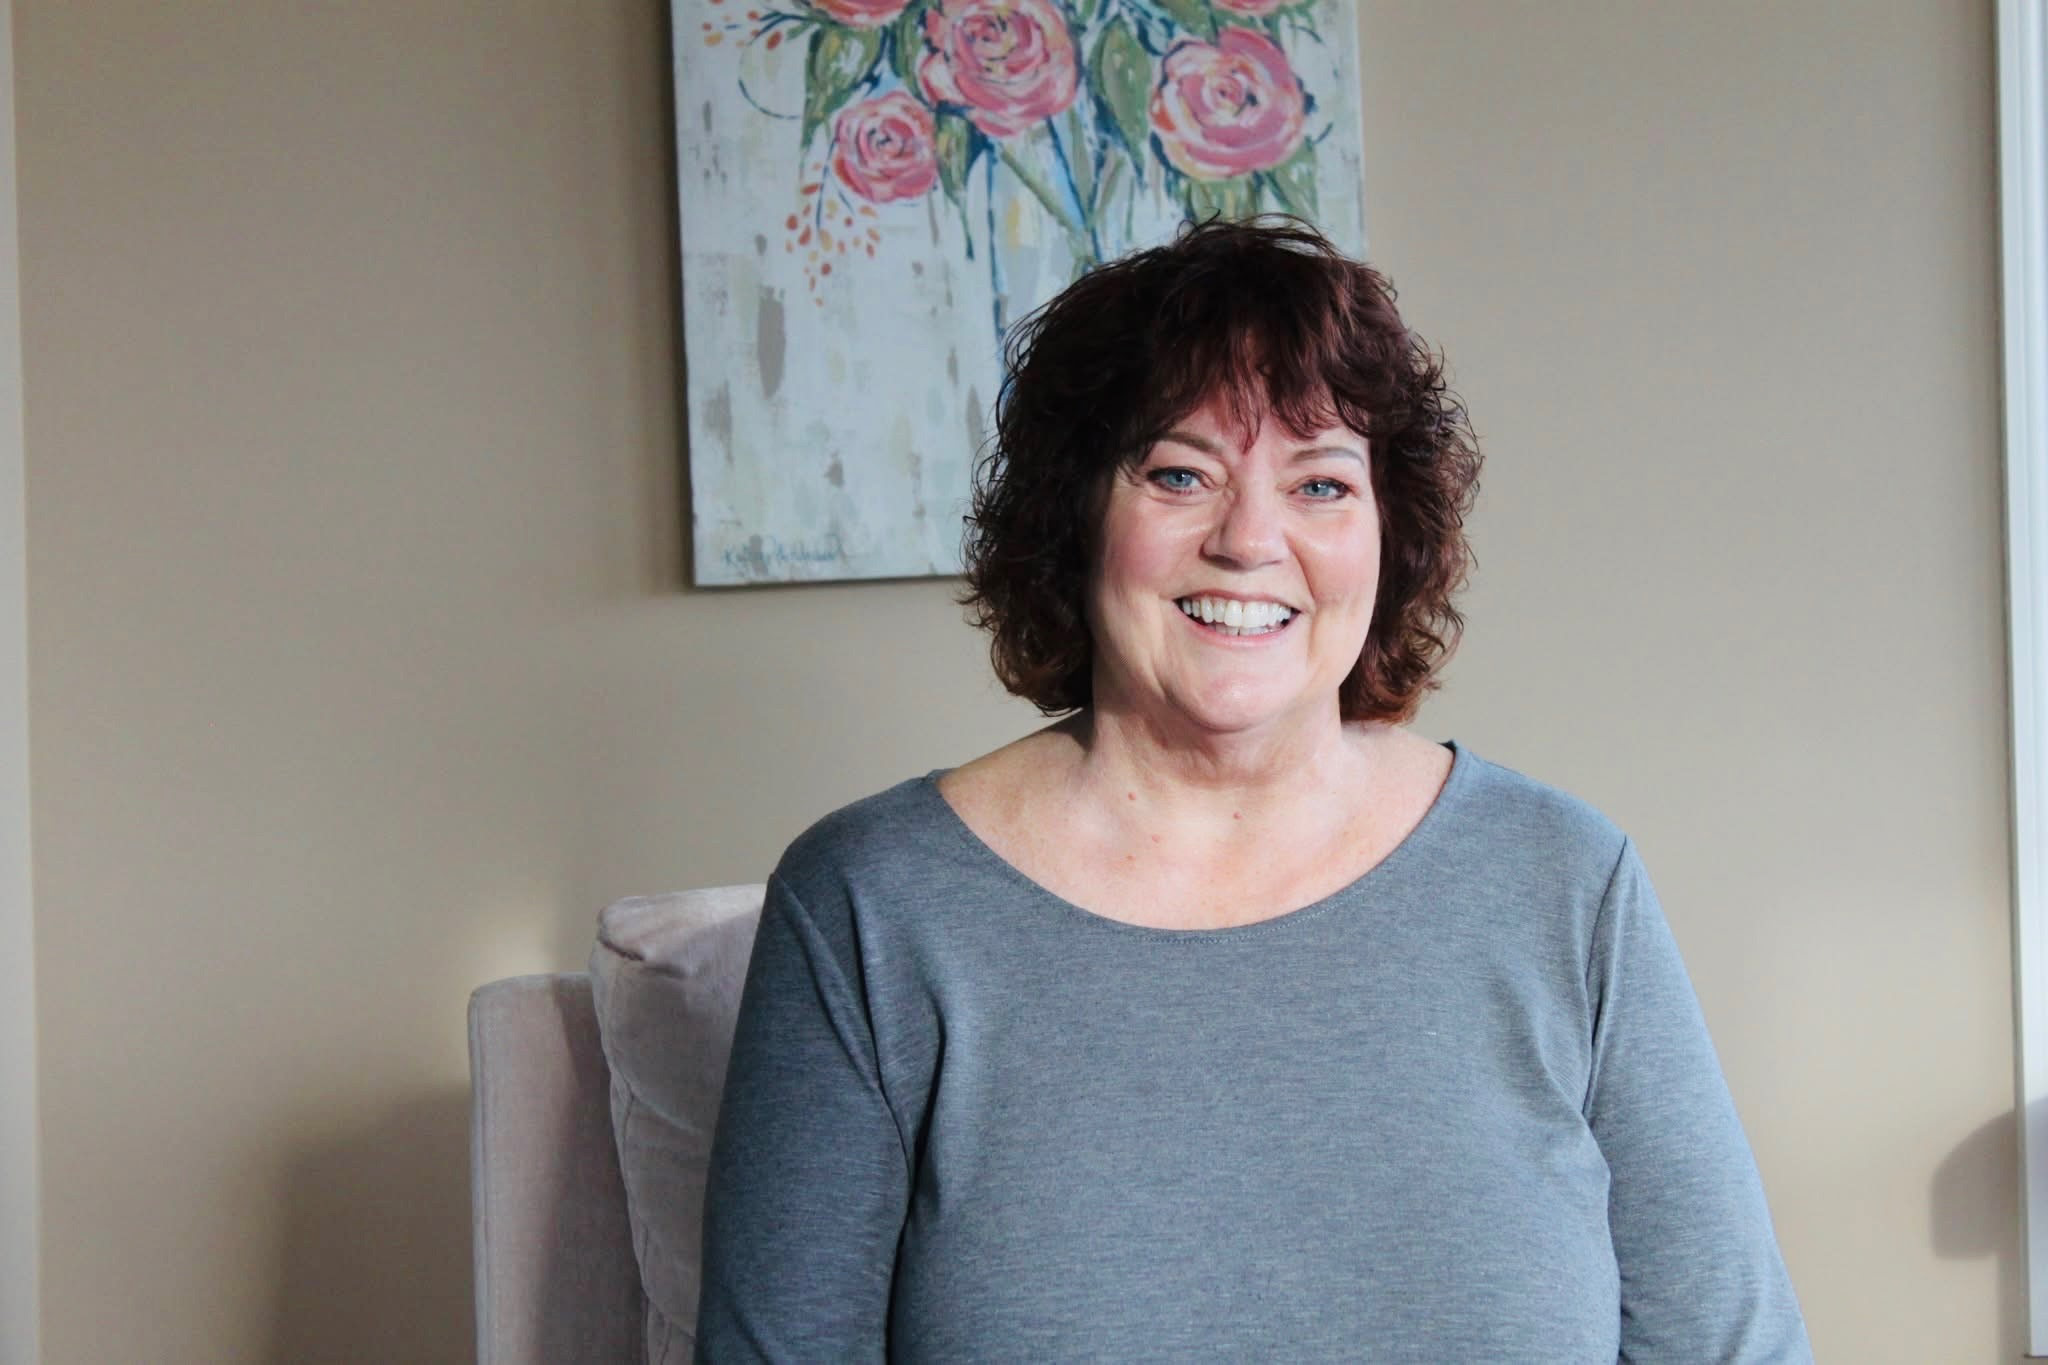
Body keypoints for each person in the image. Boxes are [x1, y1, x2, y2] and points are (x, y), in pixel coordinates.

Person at [693, 217, 1810, 1361]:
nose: (1249, 539)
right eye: (1179, 474)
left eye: (1319, 483)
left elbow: (1729, 1345)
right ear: (1074, 516)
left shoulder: (1564, 881)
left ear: (1388, 537)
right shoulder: (871, 904)